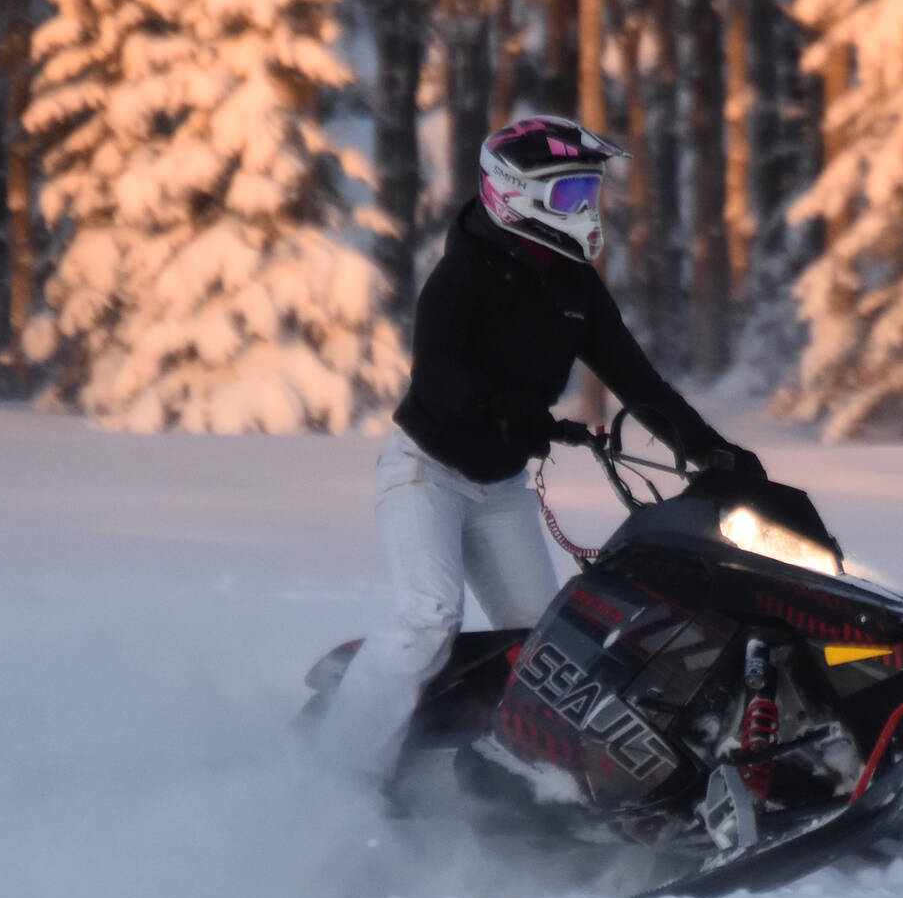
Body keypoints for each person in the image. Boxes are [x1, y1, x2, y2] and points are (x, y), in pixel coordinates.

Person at [312, 115, 755, 803]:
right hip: (426, 472)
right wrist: (503, 408)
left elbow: (639, 381)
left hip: (501, 486)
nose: (589, 208)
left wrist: (706, 448)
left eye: (591, 193)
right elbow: (436, 376)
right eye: (575, 193)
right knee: (429, 615)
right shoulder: (461, 275)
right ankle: (333, 779)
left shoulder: (573, 283)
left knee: (550, 648)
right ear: (519, 195)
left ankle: (507, 780)